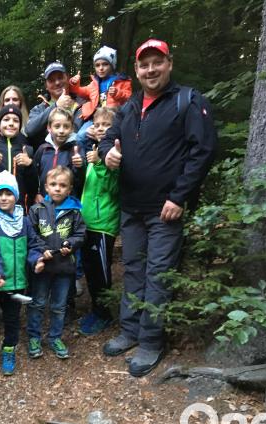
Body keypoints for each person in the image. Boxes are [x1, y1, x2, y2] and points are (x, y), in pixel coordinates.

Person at [98, 38, 217, 377]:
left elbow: (203, 150)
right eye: (144, 64)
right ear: (136, 70)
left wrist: (179, 197)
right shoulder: (131, 105)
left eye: (157, 62)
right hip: (131, 206)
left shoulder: (187, 101)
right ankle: (130, 331)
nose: (150, 70)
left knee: (158, 274)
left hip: (165, 209)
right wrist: (108, 152)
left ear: (169, 64)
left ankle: (151, 342)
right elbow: (108, 137)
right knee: (133, 268)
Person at [0, 171, 43, 376]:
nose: (4, 198)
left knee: (13, 320)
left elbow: (33, 245)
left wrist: (36, 260)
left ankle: (8, 352)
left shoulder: (24, 221)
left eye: (8, 193)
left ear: (16, 195)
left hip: (17, 282)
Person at [26, 167, 86, 360]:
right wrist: (41, 249)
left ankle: (55, 337)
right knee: (38, 303)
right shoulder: (37, 209)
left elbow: (80, 233)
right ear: (46, 187)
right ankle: (34, 337)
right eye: (53, 185)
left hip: (64, 267)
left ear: (69, 189)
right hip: (43, 265)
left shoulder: (75, 211)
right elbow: (31, 233)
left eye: (62, 185)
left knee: (59, 306)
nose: (57, 189)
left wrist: (72, 244)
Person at [77, 107, 122, 336]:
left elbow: (113, 188)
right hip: (88, 222)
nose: (101, 128)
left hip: (104, 224)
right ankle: (96, 310)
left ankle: (105, 314)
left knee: (101, 274)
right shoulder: (94, 151)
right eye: (97, 124)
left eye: (107, 125)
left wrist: (100, 162)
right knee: (91, 272)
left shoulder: (114, 153)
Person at [69, 46, 132, 151]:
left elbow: (129, 97)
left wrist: (118, 93)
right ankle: (88, 162)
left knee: (112, 139)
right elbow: (80, 91)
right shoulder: (94, 83)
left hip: (114, 118)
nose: (101, 68)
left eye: (105, 64)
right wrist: (74, 83)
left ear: (112, 65)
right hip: (96, 118)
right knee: (80, 137)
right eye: (97, 65)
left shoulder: (122, 81)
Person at [0, 104, 38, 208]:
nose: (11, 123)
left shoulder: (27, 150)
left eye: (15, 120)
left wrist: (29, 165)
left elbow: (33, 188)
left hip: (20, 208)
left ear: (20, 125)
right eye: (6, 119)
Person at [26, 62, 84, 149]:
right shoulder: (40, 108)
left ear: (68, 78)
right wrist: (56, 106)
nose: (57, 82)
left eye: (60, 78)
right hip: (49, 158)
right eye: (51, 80)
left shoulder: (83, 104)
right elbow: (29, 130)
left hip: (78, 157)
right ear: (46, 86)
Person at [32, 108, 85, 203]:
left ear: (72, 128)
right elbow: (35, 175)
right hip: (44, 201)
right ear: (49, 128)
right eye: (57, 126)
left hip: (67, 203)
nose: (61, 131)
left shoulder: (76, 149)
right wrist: (36, 192)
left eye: (66, 127)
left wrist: (79, 167)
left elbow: (80, 181)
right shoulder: (43, 149)